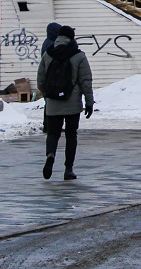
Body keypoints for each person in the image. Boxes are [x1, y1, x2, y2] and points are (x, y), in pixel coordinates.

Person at [37, 25, 94, 180]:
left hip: (53, 102)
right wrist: (89, 102)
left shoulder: (48, 54)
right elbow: (85, 81)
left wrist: (47, 96)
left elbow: (40, 79)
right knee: (71, 135)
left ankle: (50, 155)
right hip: (72, 103)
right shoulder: (78, 55)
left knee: (53, 133)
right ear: (72, 38)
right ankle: (68, 169)